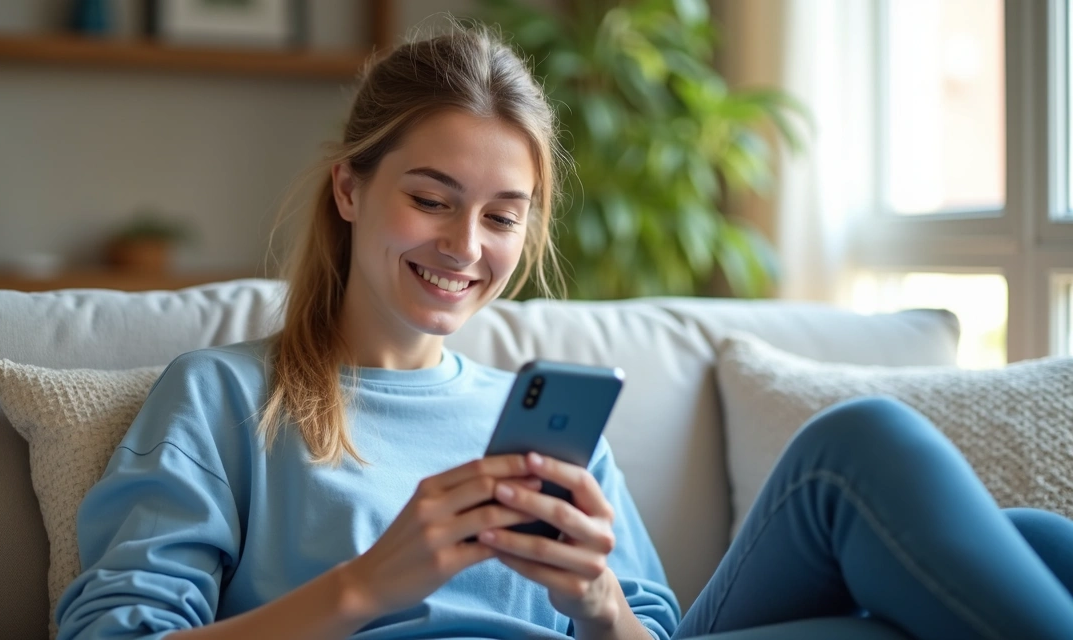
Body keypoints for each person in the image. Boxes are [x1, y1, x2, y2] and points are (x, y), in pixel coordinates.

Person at [55, 26, 1073, 640]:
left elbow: (648, 629)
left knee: (1033, 542)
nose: (465, 244)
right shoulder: (227, 397)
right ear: (349, 187)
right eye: (432, 198)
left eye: (502, 215)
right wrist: (370, 582)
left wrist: (594, 601)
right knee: (860, 450)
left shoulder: (532, 419)